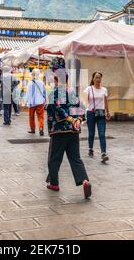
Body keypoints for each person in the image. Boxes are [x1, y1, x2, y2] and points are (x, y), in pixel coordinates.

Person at [46, 71, 92, 199]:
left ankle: (54, 183)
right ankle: (84, 180)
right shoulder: (72, 92)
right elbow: (81, 108)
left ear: (56, 79)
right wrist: (77, 119)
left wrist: (69, 118)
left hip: (59, 131)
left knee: (54, 158)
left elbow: (58, 110)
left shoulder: (54, 93)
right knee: (75, 158)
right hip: (73, 131)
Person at [83, 72, 111, 164]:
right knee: (91, 133)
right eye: (96, 77)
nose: (98, 79)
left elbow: (106, 102)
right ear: (93, 78)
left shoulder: (104, 90)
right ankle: (90, 148)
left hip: (101, 114)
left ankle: (103, 153)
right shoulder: (88, 89)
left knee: (102, 134)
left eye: (99, 77)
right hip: (91, 113)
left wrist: (108, 112)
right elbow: (84, 101)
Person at [27, 68, 46, 136]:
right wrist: (44, 100)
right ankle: (41, 128)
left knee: (31, 116)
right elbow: (44, 92)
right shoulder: (41, 83)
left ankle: (33, 129)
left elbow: (28, 93)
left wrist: (27, 101)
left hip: (32, 103)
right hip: (40, 102)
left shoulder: (30, 83)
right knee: (40, 117)